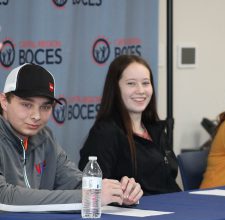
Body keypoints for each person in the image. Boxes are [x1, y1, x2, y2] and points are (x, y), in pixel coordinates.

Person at [0, 63, 142, 206]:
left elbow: (76, 182)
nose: (36, 115)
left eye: (45, 107)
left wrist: (119, 192)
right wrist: (89, 196)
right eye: (27, 105)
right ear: (4, 101)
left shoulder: (45, 138)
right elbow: (4, 197)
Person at [78, 54, 181, 195]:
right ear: (115, 88)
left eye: (146, 83)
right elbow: (93, 192)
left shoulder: (154, 128)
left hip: (173, 207)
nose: (141, 90)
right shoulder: (105, 133)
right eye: (131, 83)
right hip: (132, 214)